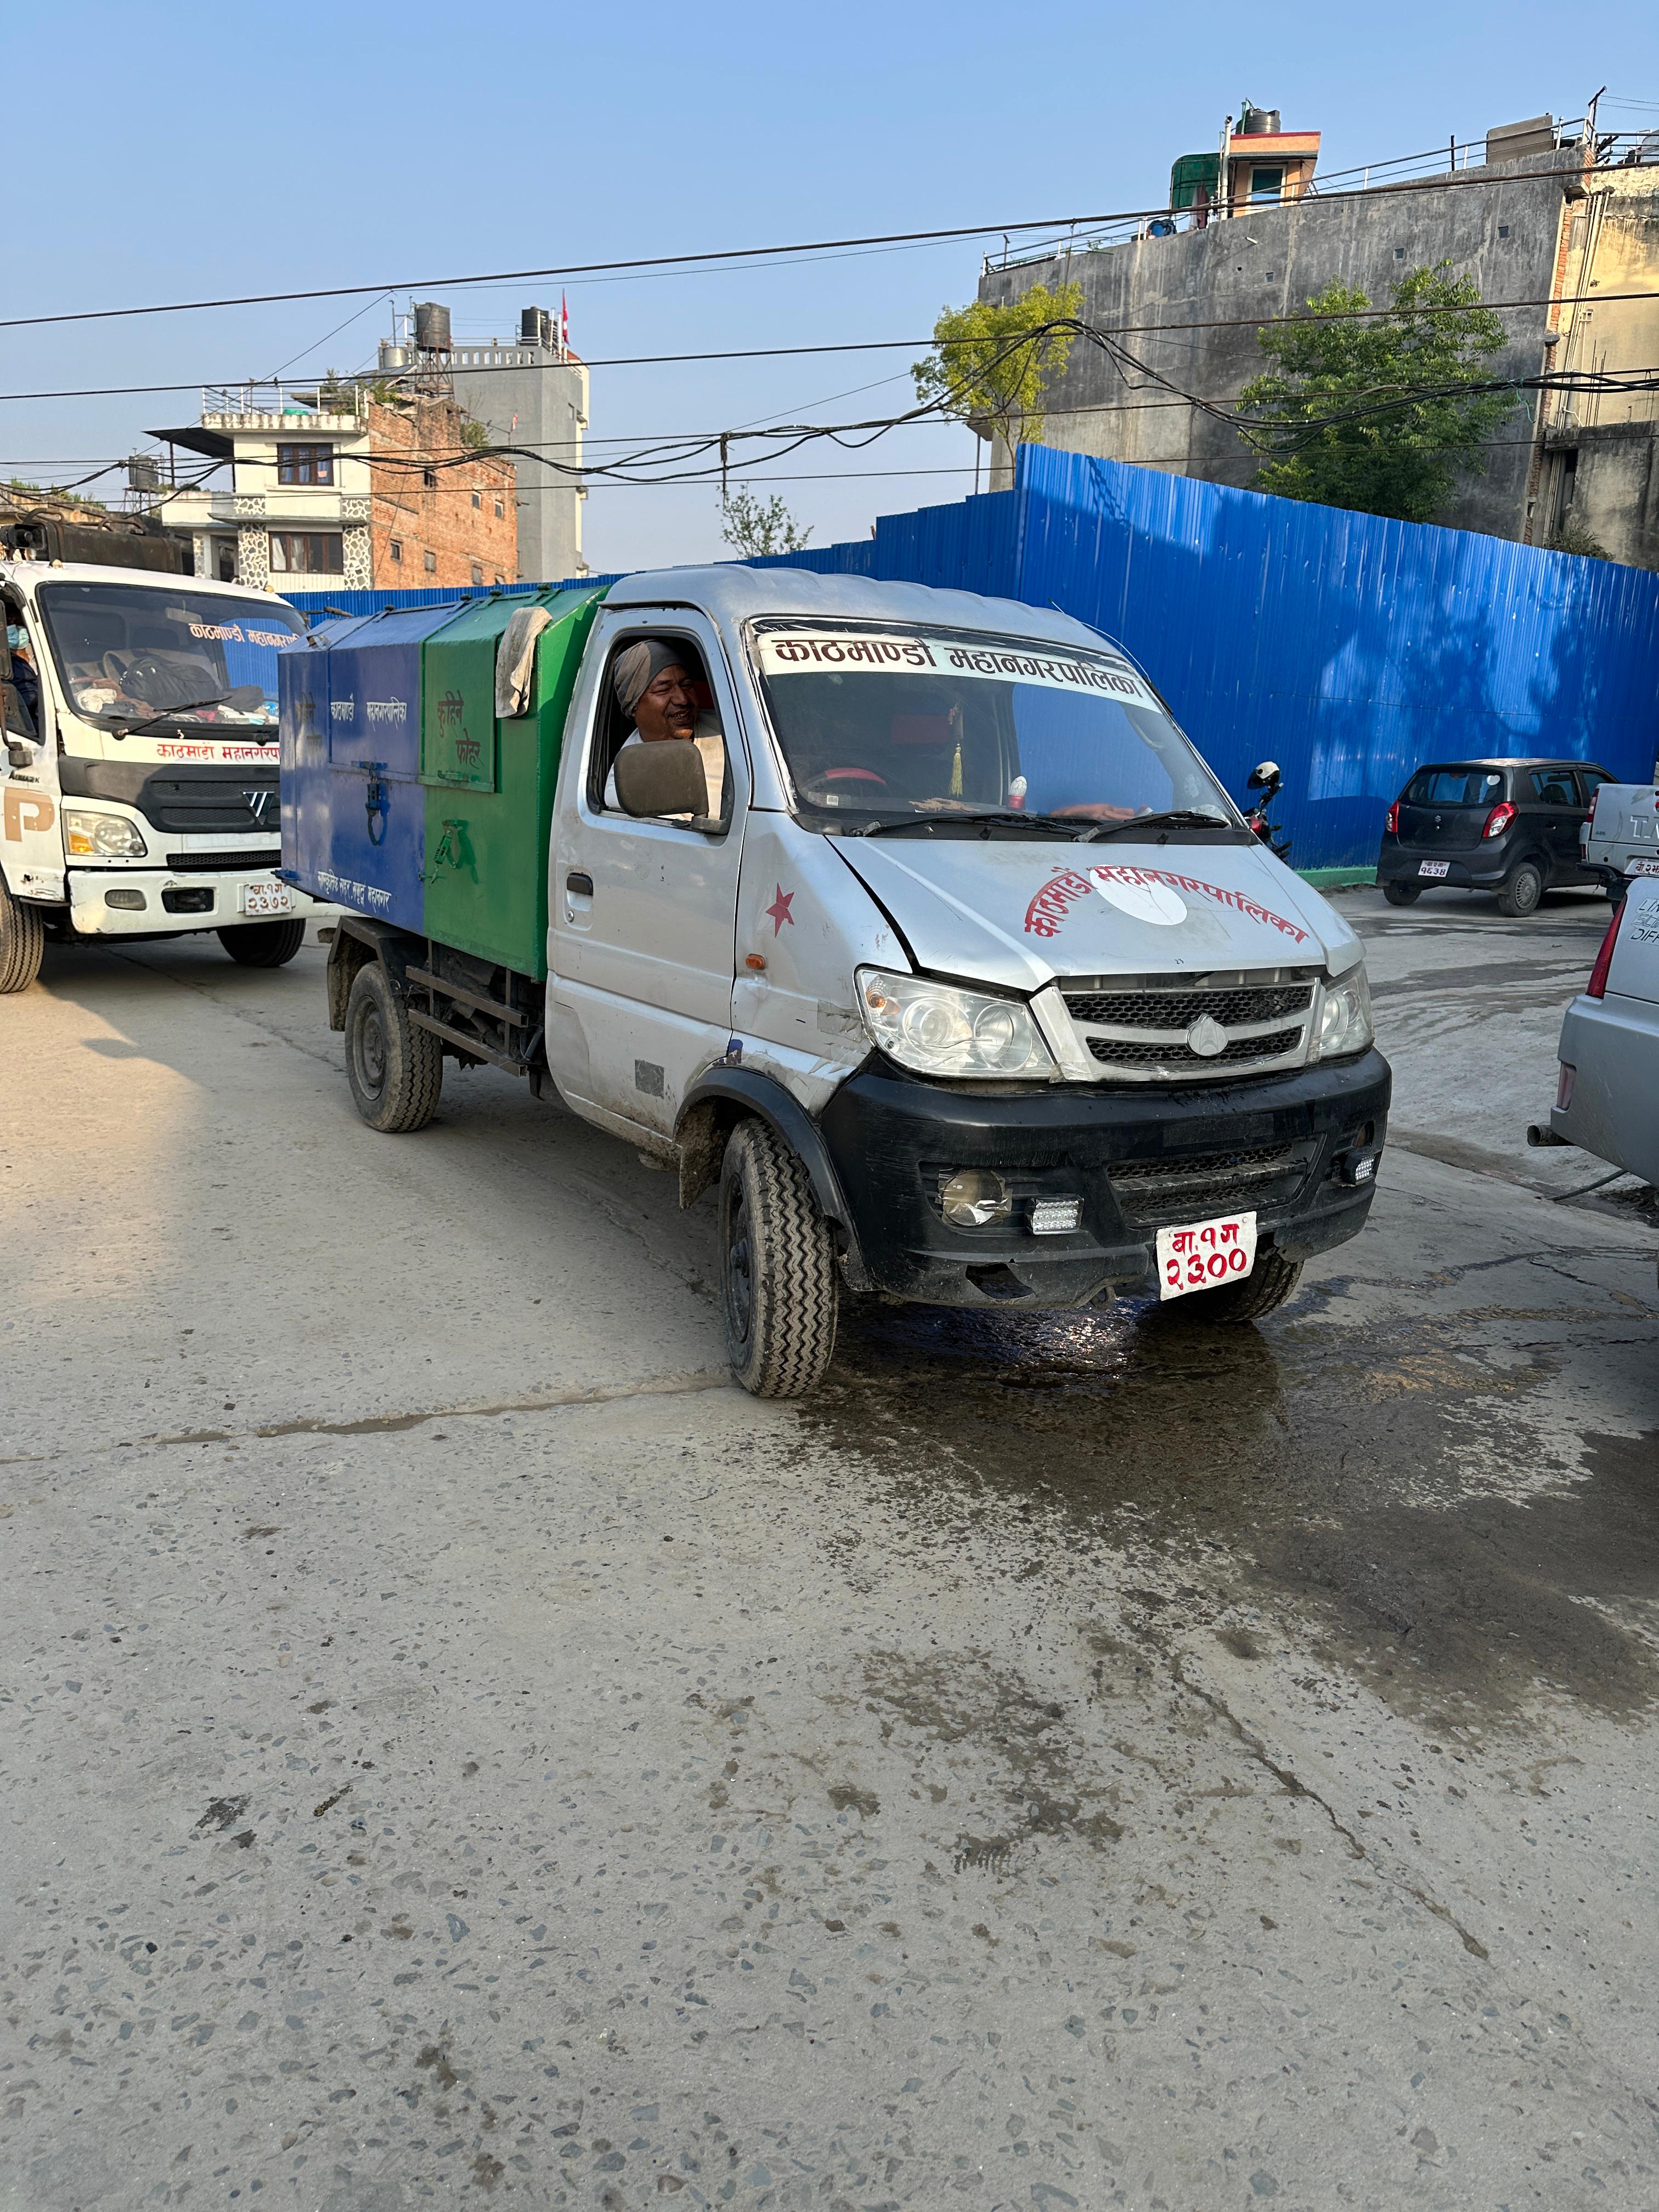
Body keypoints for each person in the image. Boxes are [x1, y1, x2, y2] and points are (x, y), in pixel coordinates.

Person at [604, 640, 725, 816]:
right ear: (634, 707)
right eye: (663, 690)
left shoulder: (728, 727)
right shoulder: (627, 787)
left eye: (686, 685)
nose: (682, 699)